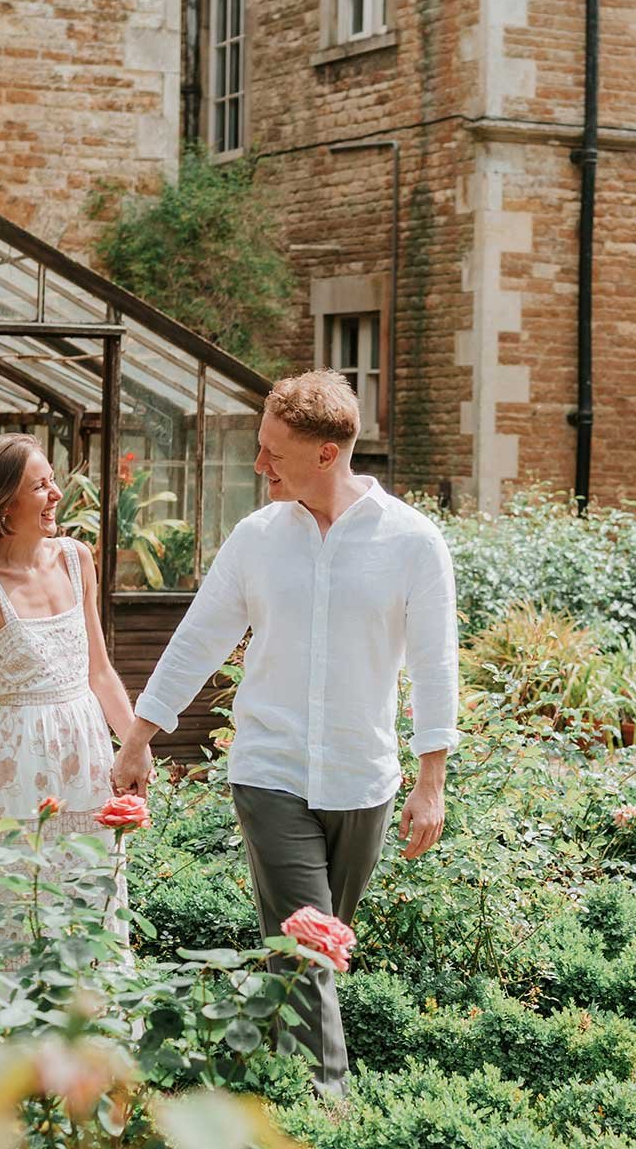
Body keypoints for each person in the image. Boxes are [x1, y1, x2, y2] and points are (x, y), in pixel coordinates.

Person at [113, 370, 458, 1091]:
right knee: (306, 945)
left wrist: (432, 783)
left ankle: (270, 1092)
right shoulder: (257, 538)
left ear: (326, 454)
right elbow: (198, 639)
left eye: (273, 451)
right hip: (268, 771)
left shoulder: (412, 542)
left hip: (363, 779)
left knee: (306, 954)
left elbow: (433, 664)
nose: (258, 464)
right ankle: (328, 1111)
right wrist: (139, 736)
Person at [0, 433, 148, 958]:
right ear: (4, 504)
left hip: (88, 764)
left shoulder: (78, 560)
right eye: (41, 485)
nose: (57, 494)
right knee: (16, 915)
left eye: (53, 480)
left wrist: (134, 746)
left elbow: (99, 670)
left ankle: (93, 1034)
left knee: (91, 908)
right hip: (19, 772)